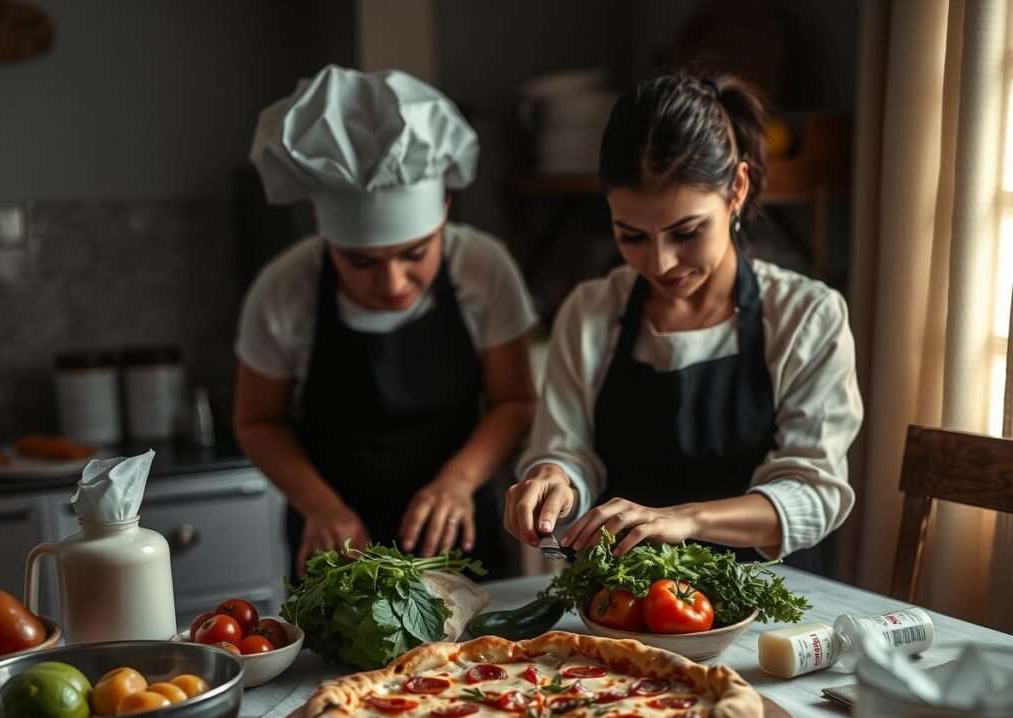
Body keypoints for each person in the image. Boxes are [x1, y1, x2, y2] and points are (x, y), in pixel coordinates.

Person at [505, 71, 863, 569]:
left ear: (737, 189)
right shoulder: (590, 312)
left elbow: (812, 492)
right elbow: (568, 450)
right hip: (628, 599)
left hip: (769, 598)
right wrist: (554, 475)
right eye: (631, 236)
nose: (660, 263)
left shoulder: (806, 317)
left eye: (687, 232)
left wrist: (685, 519)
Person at [235, 65, 537, 579]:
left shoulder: (484, 267)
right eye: (361, 262)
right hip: (335, 542)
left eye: (415, 253)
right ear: (318, 223)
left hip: (458, 534)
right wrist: (320, 505)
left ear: (445, 207)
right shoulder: (284, 289)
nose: (393, 282)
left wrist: (459, 480)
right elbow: (257, 421)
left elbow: (514, 400)